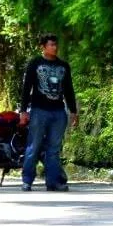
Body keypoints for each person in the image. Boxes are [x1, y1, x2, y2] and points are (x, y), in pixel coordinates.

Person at [18, 33, 79, 192]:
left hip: (58, 111)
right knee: (34, 146)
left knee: (54, 149)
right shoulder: (35, 63)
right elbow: (27, 88)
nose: (55, 47)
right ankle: (27, 180)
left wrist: (73, 111)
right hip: (39, 110)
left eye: (55, 44)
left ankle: (53, 182)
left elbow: (68, 89)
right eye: (51, 45)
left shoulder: (63, 66)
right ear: (43, 47)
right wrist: (23, 110)